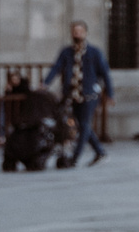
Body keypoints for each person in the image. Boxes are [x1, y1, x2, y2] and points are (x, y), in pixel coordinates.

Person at [46, 21, 111, 169]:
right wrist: (45, 83)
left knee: (84, 125)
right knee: (82, 126)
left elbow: (105, 73)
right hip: (72, 95)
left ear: (85, 33)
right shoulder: (67, 52)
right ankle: (100, 152)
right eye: (75, 31)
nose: (77, 34)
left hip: (89, 95)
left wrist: (110, 94)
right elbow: (56, 67)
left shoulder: (94, 52)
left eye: (80, 31)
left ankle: (75, 158)